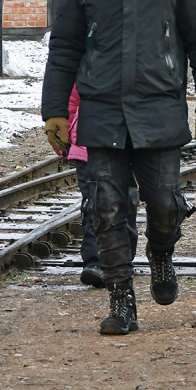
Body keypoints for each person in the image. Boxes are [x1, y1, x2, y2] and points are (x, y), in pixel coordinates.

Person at [42, 0, 196, 336]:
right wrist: (54, 110)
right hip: (102, 111)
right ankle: (121, 300)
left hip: (158, 109)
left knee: (163, 205)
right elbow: (64, 47)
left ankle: (161, 253)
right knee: (106, 209)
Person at [65, 85, 139, 288]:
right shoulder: (86, 69)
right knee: (94, 205)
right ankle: (95, 262)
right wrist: (64, 133)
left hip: (126, 145)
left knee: (126, 203)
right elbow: (70, 100)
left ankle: (122, 260)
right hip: (88, 146)